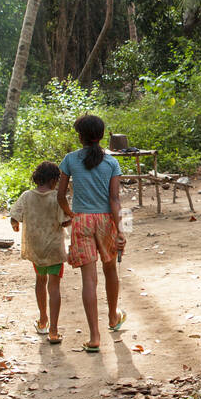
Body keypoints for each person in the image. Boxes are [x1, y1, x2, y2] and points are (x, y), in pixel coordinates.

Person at [58, 115, 127, 351]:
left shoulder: (69, 160)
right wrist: (120, 230)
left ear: (81, 136)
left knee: (89, 279)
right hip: (106, 220)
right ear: (101, 136)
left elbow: (60, 196)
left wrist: (71, 213)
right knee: (110, 270)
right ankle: (113, 317)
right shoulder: (111, 163)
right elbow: (115, 199)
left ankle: (94, 337)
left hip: (82, 221)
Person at [9, 161, 71, 345]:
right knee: (54, 287)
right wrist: (73, 216)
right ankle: (53, 331)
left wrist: (15, 224)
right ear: (54, 180)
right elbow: (65, 221)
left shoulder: (27, 196)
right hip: (53, 249)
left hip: (35, 249)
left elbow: (14, 215)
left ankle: (43, 321)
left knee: (40, 281)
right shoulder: (56, 198)